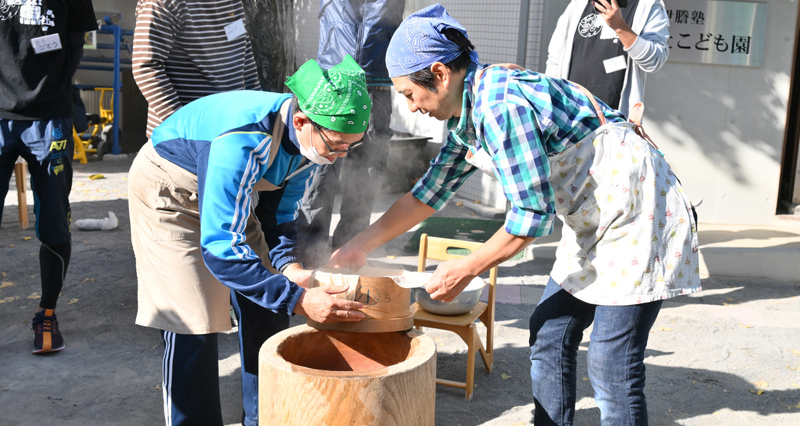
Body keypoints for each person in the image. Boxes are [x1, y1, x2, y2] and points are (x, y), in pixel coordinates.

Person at [330, 5, 700, 425]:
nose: (411, 108)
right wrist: (359, 245)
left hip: (638, 214)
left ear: (438, 73)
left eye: (409, 94)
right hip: (594, 218)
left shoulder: (500, 104)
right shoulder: (468, 113)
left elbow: (530, 217)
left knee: (612, 363)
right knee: (550, 331)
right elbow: (426, 196)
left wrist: (466, 269)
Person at [128, 56, 370, 426]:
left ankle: (262, 419)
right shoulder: (245, 140)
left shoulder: (309, 146)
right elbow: (222, 249)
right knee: (193, 322)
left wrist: (290, 271)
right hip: (171, 194)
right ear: (303, 121)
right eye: (337, 146)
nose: (339, 157)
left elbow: (277, 216)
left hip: (231, 195)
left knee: (268, 309)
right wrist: (299, 299)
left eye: (349, 148)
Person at [0, 0, 97, 354]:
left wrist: (50, 91)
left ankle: (48, 312)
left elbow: (75, 44)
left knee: (55, 221)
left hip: (49, 118)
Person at [296, 0, 405, 267]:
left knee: (357, 175)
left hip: (357, 81)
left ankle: (343, 256)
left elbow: (378, 21)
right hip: (348, 80)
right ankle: (314, 257)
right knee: (322, 169)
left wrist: (357, 76)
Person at [132, 0, 262, 138]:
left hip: (232, 130)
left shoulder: (233, 3)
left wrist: (261, 117)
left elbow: (245, 58)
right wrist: (184, 127)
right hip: (181, 139)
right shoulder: (164, 3)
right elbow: (146, 68)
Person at [545, 0, 669, 118]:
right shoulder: (578, 4)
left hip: (615, 123)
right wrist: (551, 103)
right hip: (570, 116)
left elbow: (654, 60)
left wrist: (619, 27)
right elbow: (555, 58)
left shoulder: (647, 5)